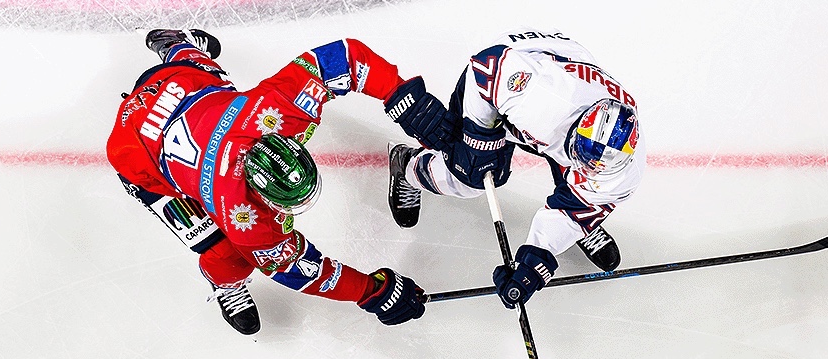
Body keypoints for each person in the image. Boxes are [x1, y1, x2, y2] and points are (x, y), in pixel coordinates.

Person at [107, 29, 427, 335]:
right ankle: (227, 285)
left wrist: (399, 94)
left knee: (205, 80)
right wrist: (367, 291)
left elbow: (343, 59)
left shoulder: (276, 110)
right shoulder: (241, 214)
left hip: (174, 85)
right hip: (138, 155)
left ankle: (174, 44)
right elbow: (296, 268)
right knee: (225, 254)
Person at [382, 27, 644, 310]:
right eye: (582, 157)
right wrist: (480, 137)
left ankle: (586, 222)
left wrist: (536, 260)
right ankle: (406, 166)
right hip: (506, 77)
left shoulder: (622, 171)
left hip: (555, 102)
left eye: (595, 167)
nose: (586, 168)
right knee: (469, 177)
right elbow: (487, 67)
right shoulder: (543, 101)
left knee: (578, 195)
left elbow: (570, 211)